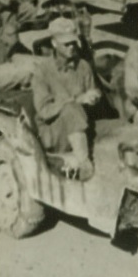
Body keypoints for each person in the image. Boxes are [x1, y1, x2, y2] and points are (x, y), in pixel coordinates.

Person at [32, 16, 99, 180]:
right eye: (66, 44)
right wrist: (75, 101)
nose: (71, 47)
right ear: (54, 43)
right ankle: (84, 163)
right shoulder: (42, 71)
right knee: (71, 109)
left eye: (73, 43)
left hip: (79, 128)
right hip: (53, 132)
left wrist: (94, 96)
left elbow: (93, 90)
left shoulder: (83, 66)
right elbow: (44, 110)